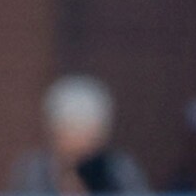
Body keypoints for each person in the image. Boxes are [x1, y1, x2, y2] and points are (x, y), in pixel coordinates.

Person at [9, 75, 149, 194]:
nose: (81, 145)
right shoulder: (35, 171)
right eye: (72, 132)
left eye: (89, 135)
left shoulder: (119, 170)